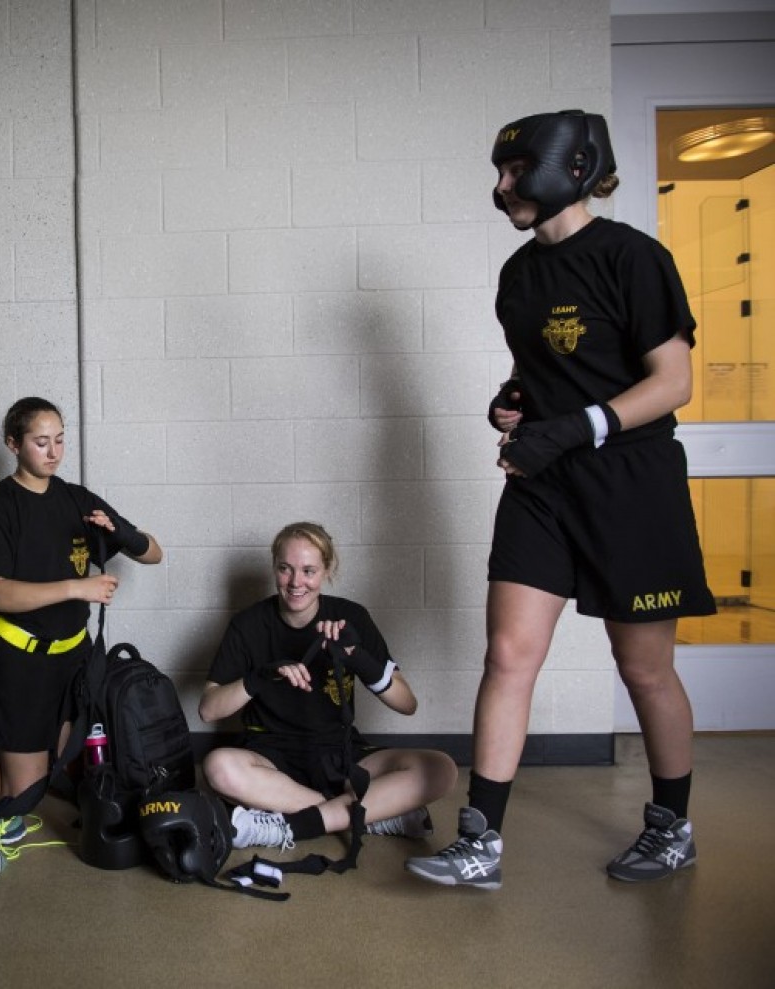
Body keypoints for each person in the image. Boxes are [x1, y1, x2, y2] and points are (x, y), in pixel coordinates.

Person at [406, 110, 716, 890]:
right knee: (508, 655)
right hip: (544, 484)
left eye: (514, 172)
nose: (501, 187)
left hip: (631, 483)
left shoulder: (633, 258)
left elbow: (673, 382)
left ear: (569, 168)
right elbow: (540, 372)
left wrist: (575, 424)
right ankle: (480, 841)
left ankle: (671, 826)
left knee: (642, 668)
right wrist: (514, 403)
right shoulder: (520, 274)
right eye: (501, 172)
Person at [0, 397, 163, 881]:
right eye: (40, 442)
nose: (53, 452)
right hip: (19, 661)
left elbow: (154, 553)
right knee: (19, 799)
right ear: (13, 444)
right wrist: (76, 587)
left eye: (60, 440)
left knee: (73, 774)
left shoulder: (76, 499)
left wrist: (122, 535)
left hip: (74, 662)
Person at [199, 522, 458, 851]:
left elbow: (407, 704)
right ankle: (367, 817)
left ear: (327, 570)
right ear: (274, 568)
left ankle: (294, 824)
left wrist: (357, 657)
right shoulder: (248, 624)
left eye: (308, 570)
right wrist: (260, 677)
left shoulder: (351, 617)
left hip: (342, 754)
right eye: (285, 569)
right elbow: (208, 709)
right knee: (218, 768)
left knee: (440, 769)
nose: (296, 582)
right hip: (271, 758)